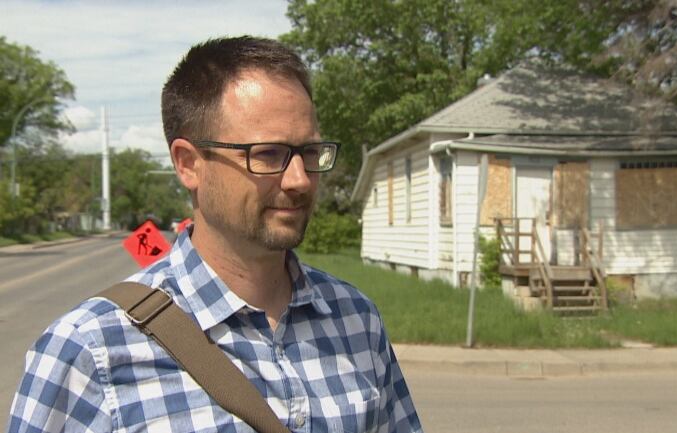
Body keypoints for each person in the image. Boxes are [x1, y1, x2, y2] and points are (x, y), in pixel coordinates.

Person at [7, 36, 423, 433]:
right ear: (189, 164)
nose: (299, 180)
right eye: (267, 154)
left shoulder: (356, 319)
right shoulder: (88, 351)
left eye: (310, 153)